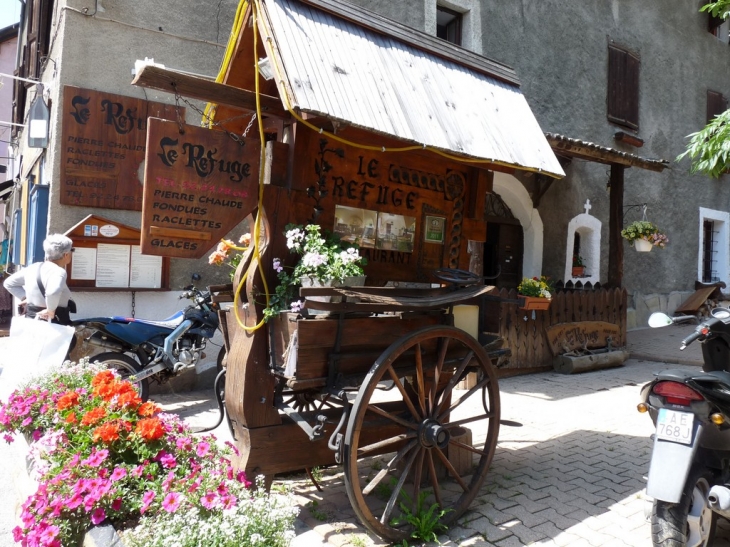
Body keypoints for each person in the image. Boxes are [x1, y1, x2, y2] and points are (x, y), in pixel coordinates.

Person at [3, 234, 75, 325]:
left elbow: (9, 283)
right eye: (72, 250)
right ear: (66, 254)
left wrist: (25, 297)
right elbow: (53, 292)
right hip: (55, 323)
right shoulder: (59, 272)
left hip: (32, 321)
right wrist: (50, 310)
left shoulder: (33, 267)